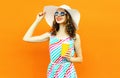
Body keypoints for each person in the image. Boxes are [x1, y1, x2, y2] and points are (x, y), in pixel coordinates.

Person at [23, 4, 83, 78]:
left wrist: (70, 59)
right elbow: (26, 38)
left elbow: (80, 59)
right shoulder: (50, 35)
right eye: (56, 13)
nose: (58, 15)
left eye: (62, 13)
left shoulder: (74, 37)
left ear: (68, 17)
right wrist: (37, 20)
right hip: (53, 71)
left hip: (68, 72)